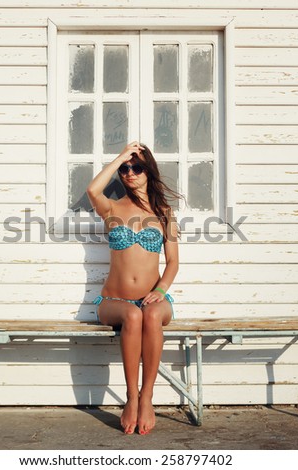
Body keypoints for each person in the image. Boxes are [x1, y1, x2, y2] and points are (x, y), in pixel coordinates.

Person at [86, 141, 181, 435]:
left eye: (137, 167)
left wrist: (162, 290)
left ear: (149, 172)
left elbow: (174, 262)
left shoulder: (165, 212)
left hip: (154, 298)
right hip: (114, 301)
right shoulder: (112, 208)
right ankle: (131, 398)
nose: (130, 172)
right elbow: (92, 190)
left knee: (150, 314)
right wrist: (120, 157)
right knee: (134, 315)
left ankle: (147, 398)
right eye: (126, 169)